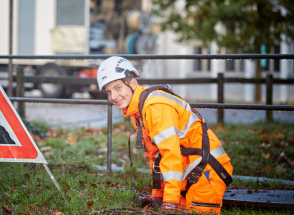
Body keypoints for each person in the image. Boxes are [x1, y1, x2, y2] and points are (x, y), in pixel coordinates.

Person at [96, 56, 233, 214]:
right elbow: (156, 157)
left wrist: (170, 201)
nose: (113, 97)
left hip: (208, 169)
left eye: (118, 88)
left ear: (133, 83)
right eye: (109, 91)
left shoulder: (156, 107)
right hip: (190, 169)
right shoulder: (138, 112)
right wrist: (158, 195)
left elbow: (170, 155)